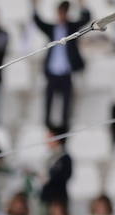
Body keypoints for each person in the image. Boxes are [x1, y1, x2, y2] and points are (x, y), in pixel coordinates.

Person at [32, 0, 90, 132]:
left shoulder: (71, 28)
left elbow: (86, 19)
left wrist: (83, 5)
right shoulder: (52, 28)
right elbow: (38, 22)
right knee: (48, 102)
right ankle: (47, 128)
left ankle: (64, 130)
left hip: (66, 72)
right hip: (52, 72)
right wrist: (35, 6)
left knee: (66, 104)